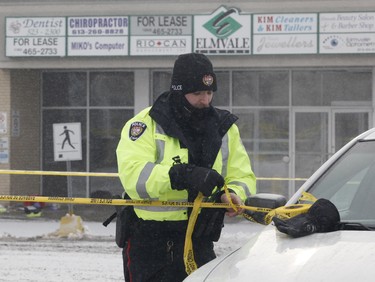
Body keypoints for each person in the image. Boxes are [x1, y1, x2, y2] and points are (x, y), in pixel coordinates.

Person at [116, 52, 256, 282]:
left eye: (209, 92)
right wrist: (180, 175)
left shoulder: (224, 127)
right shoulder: (145, 124)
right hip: (150, 243)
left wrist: (233, 194)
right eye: (197, 93)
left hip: (200, 240)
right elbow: (134, 178)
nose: (205, 100)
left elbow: (242, 174)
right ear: (179, 91)